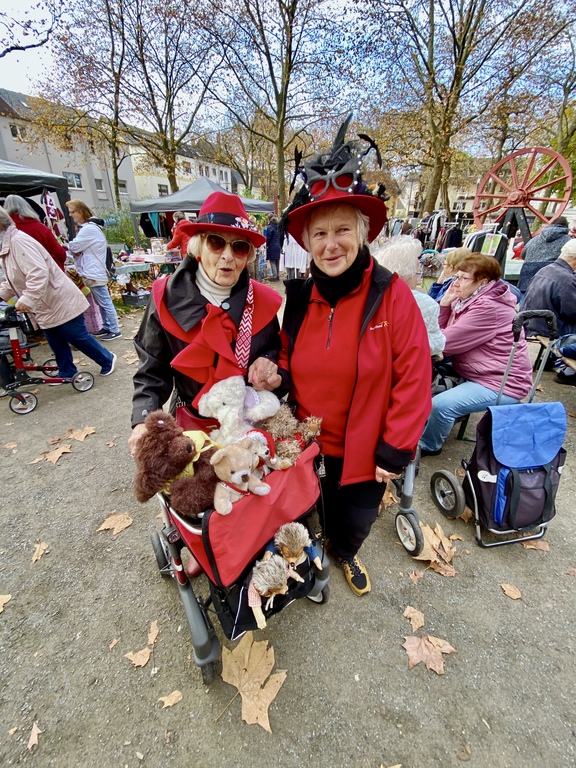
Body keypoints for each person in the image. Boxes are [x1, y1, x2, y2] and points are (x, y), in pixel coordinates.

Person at [276, 117, 432, 596]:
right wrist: (274, 379)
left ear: (363, 232)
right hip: (307, 441)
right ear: (306, 242)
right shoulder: (297, 298)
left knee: (357, 518)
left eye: (343, 229)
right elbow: (285, 358)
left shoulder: (391, 294)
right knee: (311, 507)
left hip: (367, 447)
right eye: (319, 233)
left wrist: (396, 448)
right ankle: (317, 548)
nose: (331, 244)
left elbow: (414, 376)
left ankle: (344, 553)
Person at [128, 191, 283, 454]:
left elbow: (274, 349)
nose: (227, 256)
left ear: (247, 255)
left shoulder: (263, 301)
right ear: (199, 247)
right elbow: (152, 371)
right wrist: (143, 421)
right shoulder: (163, 297)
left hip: (247, 423)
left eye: (239, 247)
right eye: (216, 242)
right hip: (190, 421)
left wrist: (268, 362)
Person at [419, 253, 533, 456]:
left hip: (500, 382)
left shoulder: (488, 308)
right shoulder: (468, 300)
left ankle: (428, 445)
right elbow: (439, 333)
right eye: (457, 276)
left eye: (463, 278)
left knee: (441, 406)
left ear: (483, 282)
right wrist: (444, 305)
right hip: (477, 370)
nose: (456, 283)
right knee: (422, 380)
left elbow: (443, 343)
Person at [0, 207, 116, 379]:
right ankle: (67, 371)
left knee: (76, 336)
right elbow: (12, 279)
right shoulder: (8, 246)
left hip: (58, 298)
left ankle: (107, 359)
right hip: (45, 302)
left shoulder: (18, 242)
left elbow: (38, 272)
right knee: (55, 340)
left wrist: (27, 298)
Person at [374, 236, 445, 357]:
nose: (419, 281)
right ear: (404, 274)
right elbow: (436, 346)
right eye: (418, 273)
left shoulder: (368, 296)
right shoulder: (424, 303)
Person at [65, 199, 122, 341]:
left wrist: (69, 247)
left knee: (104, 301)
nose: (71, 215)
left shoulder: (88, 229)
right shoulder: (92, 228)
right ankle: (107, 326)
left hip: (94, 271)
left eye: (72, 212)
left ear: (80, 211)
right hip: (94, 270)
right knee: (101, 301)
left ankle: (114, 329)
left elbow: (74, 246)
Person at [4, 194, 67, 271]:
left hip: (18, 273)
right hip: (48, 271)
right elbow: (61, 254)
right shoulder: (40, 228)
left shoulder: (5, 231)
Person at [517, 216, 571, 296]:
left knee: (524, 300)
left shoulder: (534, 239)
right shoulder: (567, 241)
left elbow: (523, 254)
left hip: (527, 273)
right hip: (550, 276)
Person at [265, 215, 281, 280]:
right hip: (278, 246)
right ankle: (277, 275)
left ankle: (274, 276)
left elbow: (268, 238)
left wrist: (267, 244)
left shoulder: (270, 227)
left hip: (272, 246)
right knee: (277, 261)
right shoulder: (279, 227)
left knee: (272, 261)